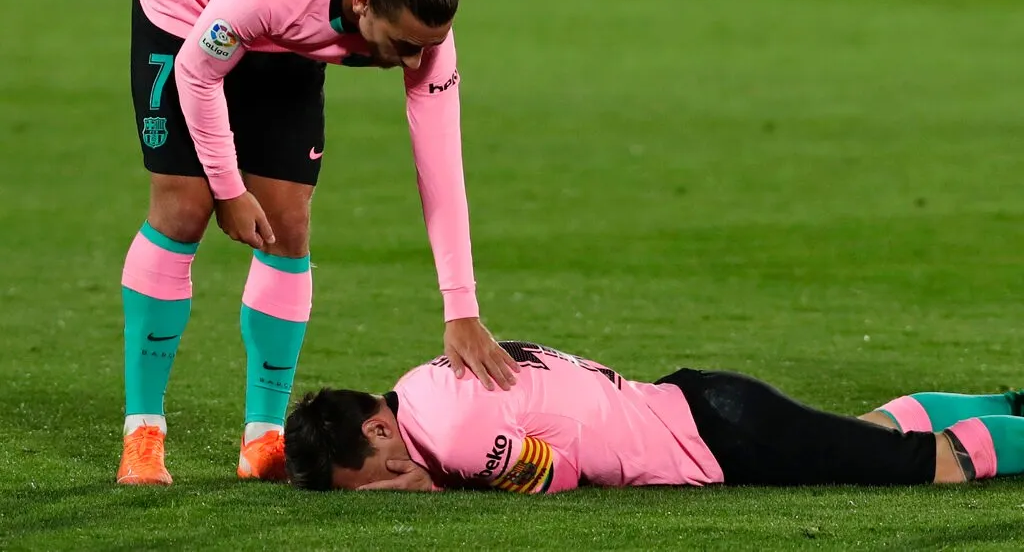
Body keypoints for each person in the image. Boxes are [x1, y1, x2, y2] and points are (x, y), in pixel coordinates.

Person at [117, 0, 520, 487]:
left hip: (284, 36)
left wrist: (461, 308)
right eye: (404, 46)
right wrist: (228, 189)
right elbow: (197, 72)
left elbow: (441, 167)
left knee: (288, 225)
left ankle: (263, 440)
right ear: (362, 1)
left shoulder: (420, 24)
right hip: (186, 14)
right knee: (184, 207)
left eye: (427, 48)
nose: (416, 63)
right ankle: (143, 433)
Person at [283, 340, 1024, 493]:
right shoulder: (423, 380)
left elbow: (561, 472)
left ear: (378, 430)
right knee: (873, 432)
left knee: (931, 464)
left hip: (721, 436)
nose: (382, 485)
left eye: (370, 477)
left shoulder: (448, 436)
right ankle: (1007, 402)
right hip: (705, 405)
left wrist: (430, 488)